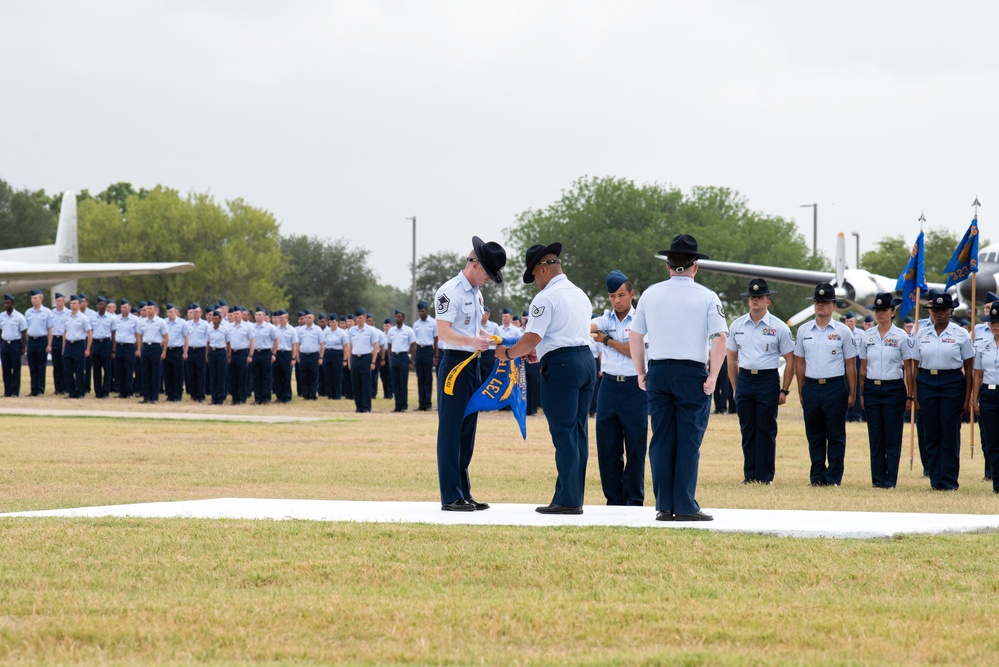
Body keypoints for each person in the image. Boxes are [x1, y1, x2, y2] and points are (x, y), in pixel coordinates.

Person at [628, 234, 727, 522]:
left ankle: (664, 505)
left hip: (659, 370)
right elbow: (720, 338)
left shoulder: (650, 294)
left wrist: (641, 371)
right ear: (695, 266)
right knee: (688, 439)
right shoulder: (707, 296)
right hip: (691, 372)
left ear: (668, 265)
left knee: (661, 439)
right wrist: (713, 377)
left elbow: (636, 335)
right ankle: (684, 505)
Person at [498, 242, 594, 514]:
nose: (535, 283)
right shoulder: (580, 294)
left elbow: (532, 337)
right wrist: (538, 352)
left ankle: (566, 501)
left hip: (563, 367)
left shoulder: (546, 298)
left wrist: (508, 353)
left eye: (534, 276)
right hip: (584, 361)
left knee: (563, 433)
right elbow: (564, 334)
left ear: (542, 270)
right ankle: (573, 496)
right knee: (577, 433)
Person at [434, 236, 506, 512]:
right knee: (451, 430)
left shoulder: (476, 292)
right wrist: (472, 342)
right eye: (488, 272)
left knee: (467, 430)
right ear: (474, 264)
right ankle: (450, 495)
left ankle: (464, 492)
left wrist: (492, 338)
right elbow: (445, 332)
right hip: (455, 364)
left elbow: (474, 330)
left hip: (473, 363)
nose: (489, 278)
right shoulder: (449, 291)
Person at [726, 278, 795, 485]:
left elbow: (790, 359)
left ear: (768, 301)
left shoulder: (779, 327)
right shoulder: (738, 325)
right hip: (746, 378)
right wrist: (736, 386)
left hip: (767, 379)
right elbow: (731, 358)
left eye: (759, 297)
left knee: (765, 428)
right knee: (747, 427)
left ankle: (765, 477)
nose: (755, 300)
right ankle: (750, 475)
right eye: (752, 297)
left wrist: (785, 390)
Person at [589, 270, 647, 505]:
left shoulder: (641, 320)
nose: (617, 300)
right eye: (612, 296)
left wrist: (607, 340)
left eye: (621, 295)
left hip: (635, 387)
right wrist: (598, 333)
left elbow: (635, 351)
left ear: (632, 294)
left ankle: (633, 498)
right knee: (607, 446)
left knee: (635, 445)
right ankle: (613, 499)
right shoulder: (606, 318)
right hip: (610, 386)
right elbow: (589, 327)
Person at [794, 282, 857, 487]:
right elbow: (800, 362)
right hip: (811, 386)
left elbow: (850, 364)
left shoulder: (843, 331)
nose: (821, 305)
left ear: (834, 306)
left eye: (825, 302)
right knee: (814, 435)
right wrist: (801, 389)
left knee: (836, 435)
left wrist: (852, 392)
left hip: (835, 387)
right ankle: (817, 477)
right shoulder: (804, 330)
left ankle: (833, 478)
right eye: (818, 302)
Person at [911, 292, 974, 491]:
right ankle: (935, 480)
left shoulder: (960, 334)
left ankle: (949, 481)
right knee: (931, 434)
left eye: (943, 310)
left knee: (949, 433)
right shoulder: (922, 334)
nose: (938, 314)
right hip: (927, 382)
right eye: (935, 310)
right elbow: (915, 368)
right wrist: (915, 396)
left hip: (952, 382)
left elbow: (970, 368)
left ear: (951, 311)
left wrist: (967, 397)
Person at [858, 293, 911, 489]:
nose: (880, 314)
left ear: (892, 312)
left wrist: (909, 394)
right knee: (876, 435)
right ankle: (877, 480)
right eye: (877, 310)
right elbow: (863, 367)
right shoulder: (867, 336)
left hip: (894, 388)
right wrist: (863, 393)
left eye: (884, 310)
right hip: (872, 388)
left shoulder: (901, 336)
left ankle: (890, 480)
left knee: (892, 435)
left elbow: (908, 367)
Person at [972, 291, 999, 481]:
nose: (995, 326)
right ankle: (996, 480)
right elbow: (978, 374)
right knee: (992, 440)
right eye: (992, 322)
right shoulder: (984, 344)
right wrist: (975, 398)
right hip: (988, 394)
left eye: (998, 322)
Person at [136, 301, 168, 404]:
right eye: (147, 309)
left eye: (151, 309)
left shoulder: (160, 322)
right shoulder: (142, 322)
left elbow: (166, 337)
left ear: (155, 310)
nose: (149, 311)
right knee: (145, 373)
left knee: (155, 373)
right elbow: (139, 337)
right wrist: (139, 349)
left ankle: (154, 397)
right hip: (146, 347)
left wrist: (164, 352)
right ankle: (146, 396)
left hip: (155, 347)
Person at [348, 308, 379, 413]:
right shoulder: (352, 330)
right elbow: (350, 346)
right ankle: (358, 406)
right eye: (357, 318)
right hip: (355, 358)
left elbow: (375, 346)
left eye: (360, 318)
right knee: (356, 383)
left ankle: (366, 407)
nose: (358, 320)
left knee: (366, 383)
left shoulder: (370, 330)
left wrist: (373, 362)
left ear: (365, 317)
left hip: (366, 358)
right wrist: (349, 361)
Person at [62, 295, 92, 399]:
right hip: (69, 345)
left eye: (74, 303)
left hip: (79, 344)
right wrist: (63, 347)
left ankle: (80, 392)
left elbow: (89, 333)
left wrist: (88, 349)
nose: (72, 305)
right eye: (71, 303)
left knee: (79, 370)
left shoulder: (83, 318)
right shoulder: (67, 317)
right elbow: (65, 332)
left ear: (79, 305)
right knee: (67, 370)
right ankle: (71, 392)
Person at [24, 289, 53, 397]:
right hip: (31, 340)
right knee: (32, 366)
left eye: (35, 298)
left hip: (41, 340)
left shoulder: (47, 312)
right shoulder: (28, 312)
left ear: (40, 299)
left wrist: (49, 344)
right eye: (32, 298)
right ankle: (33, 389)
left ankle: (40, 389)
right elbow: (26, 329)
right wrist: (26, 344)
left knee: (41, 366)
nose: (33, 300)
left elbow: (50, 329)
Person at [387, 310, 417, 412]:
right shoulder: (391, 331)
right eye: (395, 317)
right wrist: (390, 359)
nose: (397, 319)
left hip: (404, 357)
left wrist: (412, 361)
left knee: (403, 382)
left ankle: (404, 405)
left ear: (403, 318)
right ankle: (397, 405)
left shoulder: (408, 330)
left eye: (399, 317)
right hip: (394, 357)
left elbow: (413, 346)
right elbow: (389, 345)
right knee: (395, 382)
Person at [90, 297, 118, 399]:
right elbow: (90, 332)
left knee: (107, 369)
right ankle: (98, 391)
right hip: (96, 342)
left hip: (106, 343)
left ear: (105, 306)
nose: (100, 306)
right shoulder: (93, 318)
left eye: (102, 304)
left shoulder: (111, 318)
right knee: (96, 369)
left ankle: (105, 391)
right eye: (99, 304)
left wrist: (113, 349)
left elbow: (113, 334)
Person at [412, 301, 437, 411]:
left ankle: (427, 403)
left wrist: (435, 356)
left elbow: (436, 340)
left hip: (428, 350)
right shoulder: (416, 324)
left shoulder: (433, 323)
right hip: (419, 350)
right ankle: (421, 403)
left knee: (427, 378)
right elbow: (414, 341)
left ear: (427, 310)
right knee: (420, 378)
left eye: (422, 311)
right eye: (419, 311)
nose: (421, 313)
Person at [251, 307, 278, 404]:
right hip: (255, 353)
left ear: (264, 316)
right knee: (256, 376)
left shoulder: (270, 327)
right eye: (256, 315)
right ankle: (258, 398)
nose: (258, 317)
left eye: (260, 315)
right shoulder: (251, 327)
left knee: (266, 376)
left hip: (266, 352)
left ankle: (266, 398)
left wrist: (273, 353)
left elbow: (275, 340)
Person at [114, 300, 141, 399]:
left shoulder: (135, 320)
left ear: (130, 308)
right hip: (119, 346)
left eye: (125, 307)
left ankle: (129, 392)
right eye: (122, 308)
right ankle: (121, 391)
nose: (123, 309)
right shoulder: (116, 318)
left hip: (129, 346)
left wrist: (138, 349)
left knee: (128, 369)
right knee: (119, 369)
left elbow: (138, 335)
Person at [163, 304, 188, 402]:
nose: (169, 314)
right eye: (168, 312)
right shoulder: (164, 322)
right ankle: (169, 394)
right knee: (167, 373)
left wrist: (185, 352)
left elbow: (186, 337)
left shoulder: (182, 323)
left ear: (176, 312)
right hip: (167, 350)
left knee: (177, 374)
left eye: (171, 312)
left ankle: (177, 395)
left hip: (177, 350)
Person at [185, 304, 211, 403]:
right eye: (193, 312)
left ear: (201, 313)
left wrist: (206, 353)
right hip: (190, 350)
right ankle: (193, 394)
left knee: (201, 374)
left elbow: (208, 339)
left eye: (197, 312)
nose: (195, 314)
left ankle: (201, 395)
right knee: (191, 374)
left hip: (201, 350)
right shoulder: (188, 324)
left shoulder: (205, 325)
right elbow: (185, 338)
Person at [843, 311, 865, 423]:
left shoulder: (861, 334)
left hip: (857, 360)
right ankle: (847, 415)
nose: (848, 323)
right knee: (846, 387)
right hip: (845, 360)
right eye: (847, 321)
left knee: (856, 387)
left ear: (855, 322)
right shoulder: (842, 332)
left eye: (850, 321)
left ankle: (856, 415)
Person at [298, 310, 324, 400]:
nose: (307, 319)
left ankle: (313, 394)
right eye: (306, 317)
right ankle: (305, 394)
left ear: (313, 318)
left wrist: (321, 357)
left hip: (313, 355)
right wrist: (298, 356)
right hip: (303, 355)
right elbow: (298, 344)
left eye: (309, 317)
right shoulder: (301, 330)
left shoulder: (317, 329)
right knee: (304, 375)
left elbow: (322, 344)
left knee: (313, 375)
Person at [207, 310, 231, 405]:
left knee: (220, 376)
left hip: (221, 352)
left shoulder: (224, 330)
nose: (214, 320)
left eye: (216, 319)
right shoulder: (210, 329)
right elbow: (208, 343)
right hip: (212, 352)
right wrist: (207, 355)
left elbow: (228, 343)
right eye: (213, 318)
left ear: (220, 319)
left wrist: (228, 356)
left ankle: (220, 398)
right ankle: (214, 398)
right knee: (213, 377)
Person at [322, 312, 348, 399]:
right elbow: (322, 344)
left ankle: (337, 395)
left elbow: (345, 346)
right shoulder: (326, 331)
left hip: (337, 354)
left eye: (333, 322)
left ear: (337, 322)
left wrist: (345, 359)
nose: (332, 324)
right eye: (330, 322)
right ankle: (330, 394)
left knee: (337, 375)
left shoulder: (342, 332)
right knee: (328, 375)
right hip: (327, 353)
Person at [50, 293, 69, 395]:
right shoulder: (52, 313)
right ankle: (57, 388)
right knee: (56, 365)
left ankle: (65, 387)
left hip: (63, 338)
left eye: (60, 300)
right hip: (54, 338)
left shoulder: (68, 313)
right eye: (56, 301)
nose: (58, 303)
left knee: (64, 364)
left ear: (64, 301)